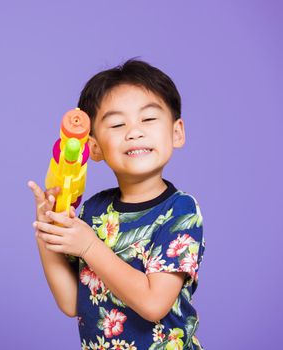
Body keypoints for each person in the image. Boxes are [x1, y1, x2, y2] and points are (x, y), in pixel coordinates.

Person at [27, 58, 205, 349]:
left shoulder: (180, 211)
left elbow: (153, 304)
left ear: (177, 132)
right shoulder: (94, 211)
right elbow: (72, 302)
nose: (134, 131)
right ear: (93, 147)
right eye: (118, 123)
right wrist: (47, 233)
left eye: (148, 119)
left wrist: (88, 246)